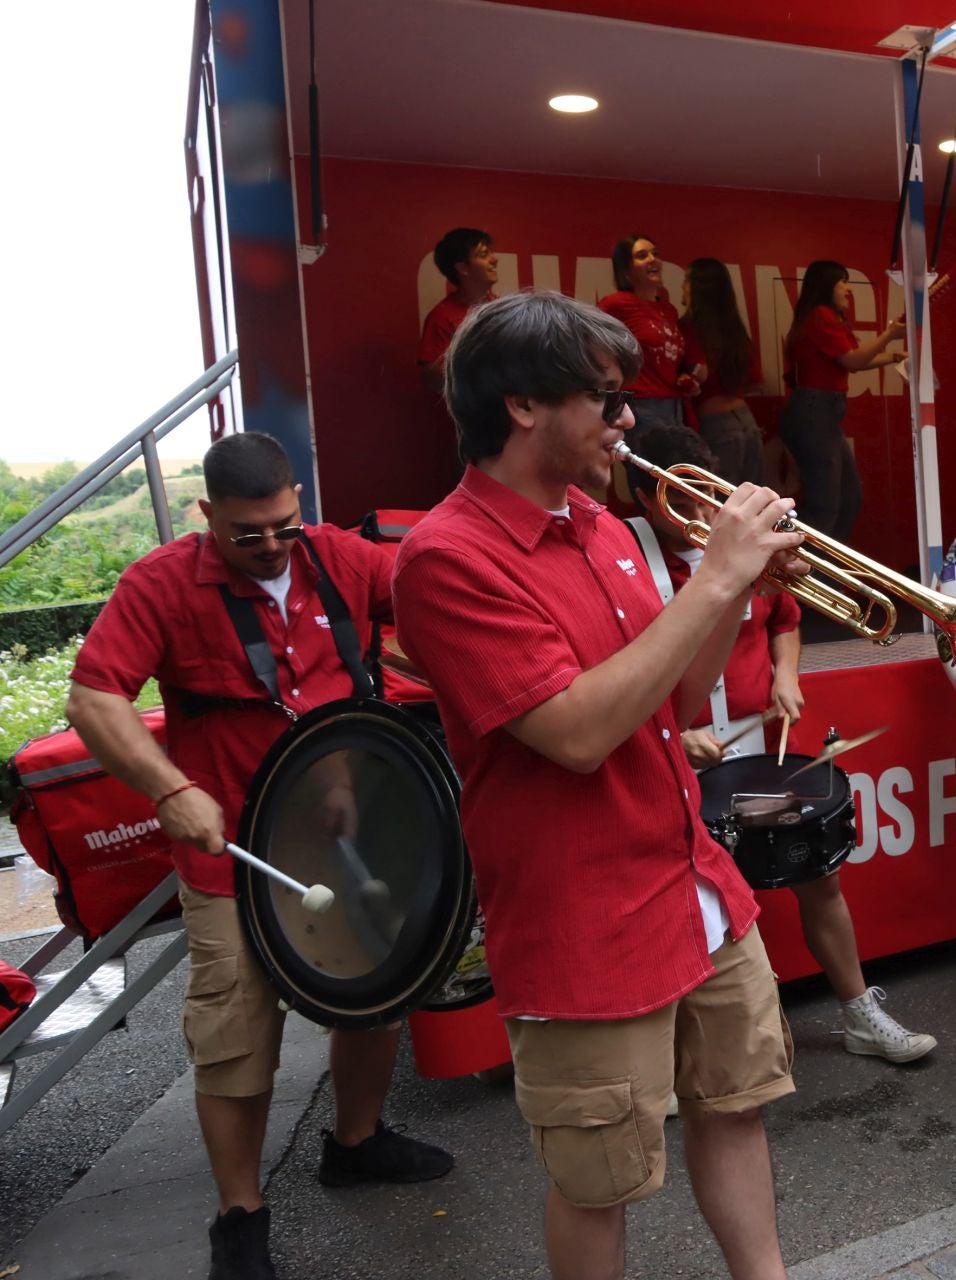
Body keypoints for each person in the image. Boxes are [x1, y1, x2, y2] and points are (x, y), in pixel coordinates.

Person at [392, 292, 802, 1280]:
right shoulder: (446, 557)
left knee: (735, 1104)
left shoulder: (607, 526)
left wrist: (737, 585)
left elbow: (685, 691)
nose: (628, 421)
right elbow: (575, 732)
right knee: (600, 1177)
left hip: (692, 878)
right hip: (586, 911)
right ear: (525, 404)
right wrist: (713, 578)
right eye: (608, 400)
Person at [65, 433, 454, 1280]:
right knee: (235, 1036)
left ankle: (356, 1141)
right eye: (248, 534)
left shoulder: (341, 558)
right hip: (229, 850)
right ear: (207, 515)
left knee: (375, 996)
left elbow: (441, 600)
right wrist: (170, 789)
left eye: (284, 524)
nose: (272, 546)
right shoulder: (161, 585)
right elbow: (93, 695)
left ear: (299, 497)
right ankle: (240, 1213)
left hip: (346, 833)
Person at [629, 425, 939, 1065]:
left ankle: (859, 1013)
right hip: (669, 764)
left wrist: (788, 675)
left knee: (816, 874)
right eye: (681, 502)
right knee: (681, 904)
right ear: (642, 495)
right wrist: (671, 732)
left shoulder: (742, 546)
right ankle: (691, 1054)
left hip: (755, 756)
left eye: (704, 500)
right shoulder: (622, 558)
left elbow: (785, 620)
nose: (699, 515)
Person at [779, 260, 906, 540]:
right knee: (824, 506)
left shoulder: (827, 317)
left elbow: (855, 357)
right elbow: (854, 360)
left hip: (823, 416)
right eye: (843, 283)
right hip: (814, 414)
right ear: (828, 286)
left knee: (849, 498)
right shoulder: (820, 315)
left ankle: (826, 567)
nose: (848, 290)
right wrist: (889, 335)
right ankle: (807, 570)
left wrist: (894, 357)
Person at [599, 233, 702, 432]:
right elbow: (593, 349)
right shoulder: (615, 304)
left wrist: (685, 377)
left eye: (655, 253)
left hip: (674, 405)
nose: (653, 259)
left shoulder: (668, 310)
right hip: (641, 406)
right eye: (642, 255)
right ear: (626, 269)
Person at [680, 257, 767, 485]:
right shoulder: (735, 330)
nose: (682, 286)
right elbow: (756, 381)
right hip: (747, 420)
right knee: (752, 503)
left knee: (719, 503)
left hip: (715, 424)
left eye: (686, 280)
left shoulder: (688, 330)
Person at [419, 227, 498, 383]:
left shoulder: (504, 308)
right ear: (463, 268)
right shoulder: (442, 317)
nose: (494, 259)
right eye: (483, 254)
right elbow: (432, 375)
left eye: (490, 253)